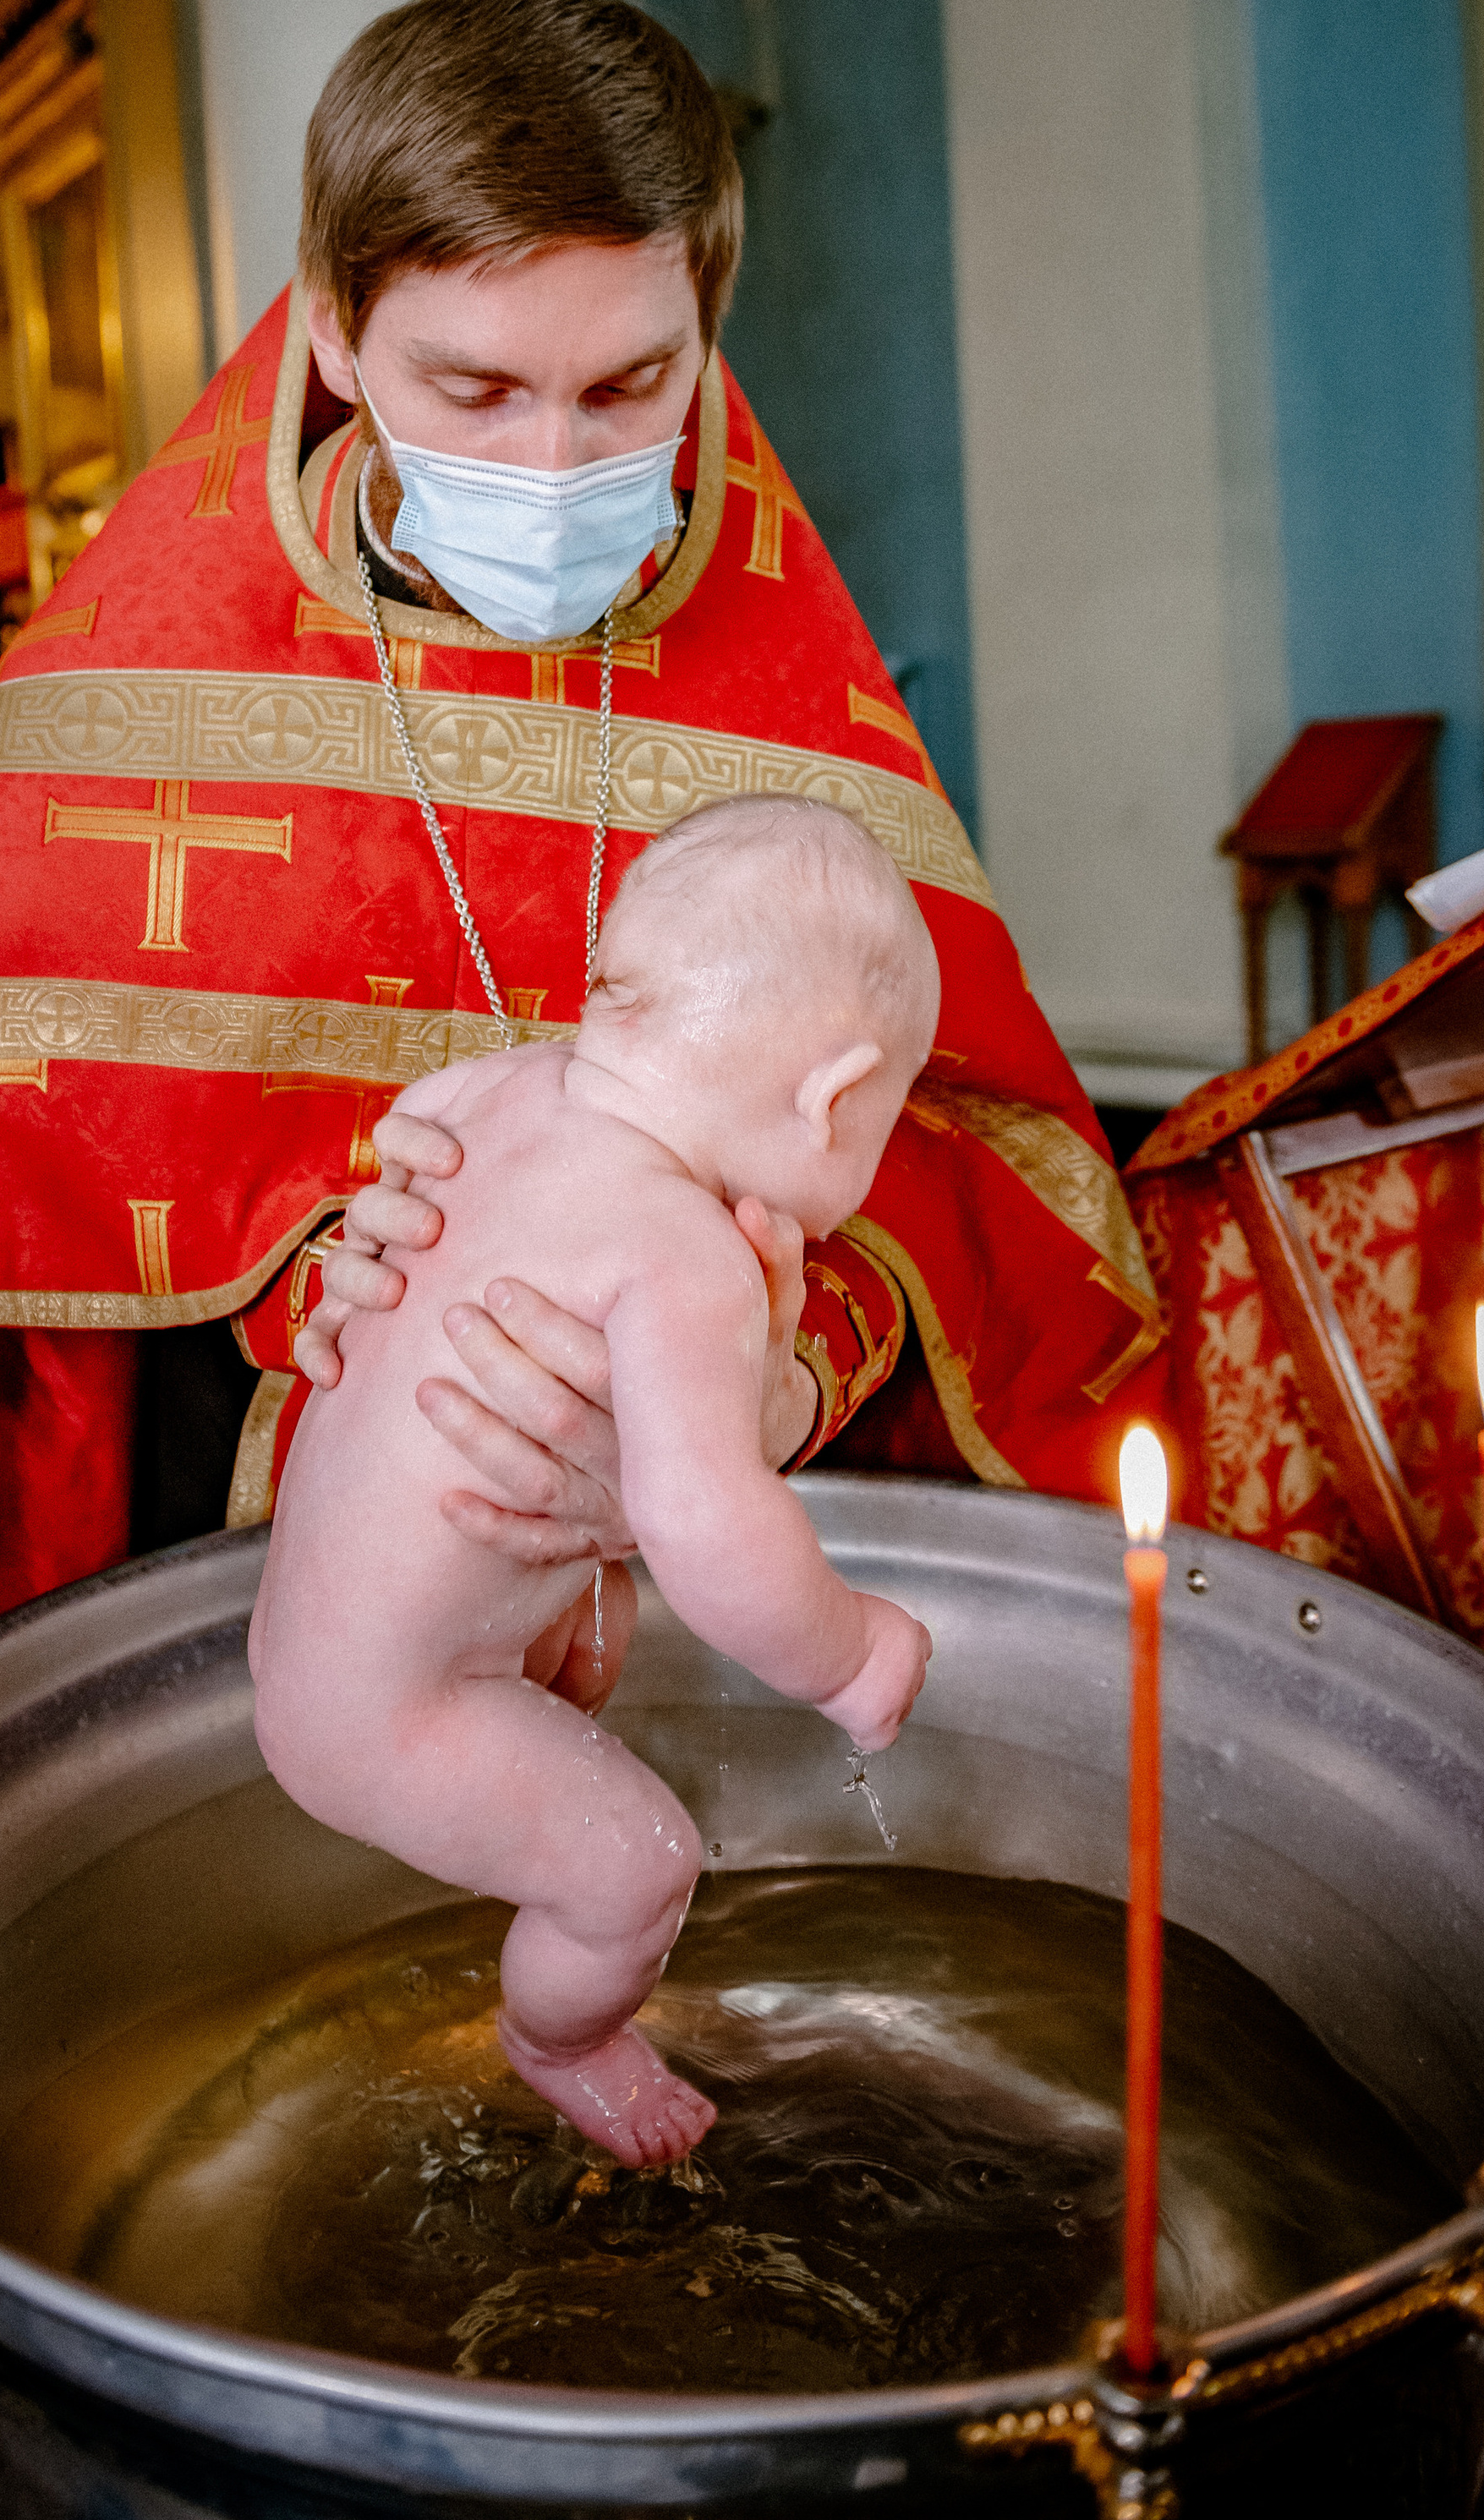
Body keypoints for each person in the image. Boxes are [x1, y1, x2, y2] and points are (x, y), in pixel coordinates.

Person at [0, 0, 1160, 2516]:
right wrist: (291, 1275)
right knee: (204, 2182)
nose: (569, 463)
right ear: (334, 327)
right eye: (476, 389)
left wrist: (763, 1357)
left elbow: (940, 1155)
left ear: (706, 315)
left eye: (635, 385)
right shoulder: (125, 703)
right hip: (239, 1564)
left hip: (642, 1555)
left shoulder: (762, 661)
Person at [251, 798, 938, 2163]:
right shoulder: (683, 1249)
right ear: (837, 1094)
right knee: (638, 1866)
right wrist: (850, 1650)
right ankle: (561, 2039)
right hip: (389, 1707)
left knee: (592, 1629)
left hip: (296, 1625)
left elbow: (406, 1139)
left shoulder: (491, 1089)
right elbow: (702, 1522)